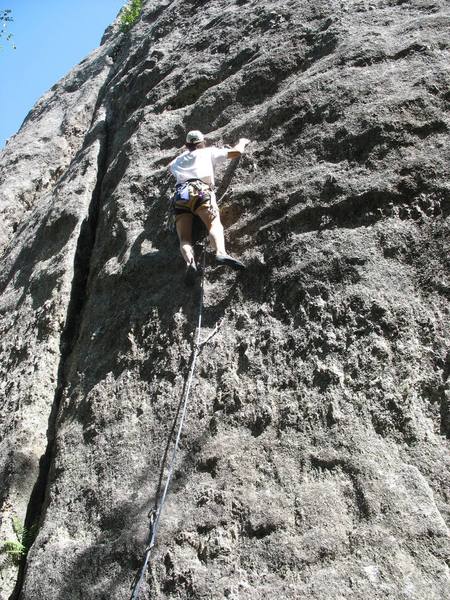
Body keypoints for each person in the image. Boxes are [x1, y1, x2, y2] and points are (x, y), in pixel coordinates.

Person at [168, 130, 250, 284]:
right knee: (213, 224)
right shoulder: (209, 152)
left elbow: (169, 166)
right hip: (201, 191)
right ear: (202, 142)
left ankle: (190, 262)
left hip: (181, 195)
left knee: (184, 238)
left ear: (187, 145)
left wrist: (184, 156)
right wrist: (243, 141)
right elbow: (236, 153)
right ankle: (220, 252)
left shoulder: (177, 160)